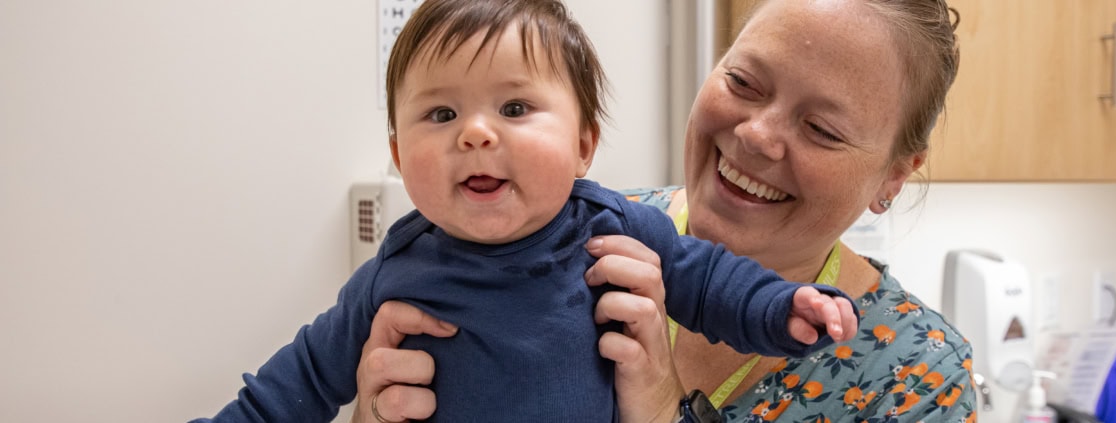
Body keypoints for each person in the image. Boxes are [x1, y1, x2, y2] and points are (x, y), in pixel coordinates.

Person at [195, 0, 861, 422]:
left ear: (582, 145)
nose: (475, 133)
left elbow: (714, 282)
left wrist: (783, 309)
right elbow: (295, 384)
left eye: (515, 108)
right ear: (399, 156)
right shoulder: (392, 273)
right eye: (441, 113)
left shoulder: (617, 229)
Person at [353, 0, 976, 422]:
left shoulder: (917, 377)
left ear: (894, 175)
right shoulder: (585, 230)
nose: (756, 134)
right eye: (743, 84)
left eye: (821, 128)